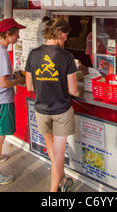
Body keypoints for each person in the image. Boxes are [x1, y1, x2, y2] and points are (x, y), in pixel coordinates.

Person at [25, 17, 78, 192]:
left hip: (41, 109)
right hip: (61, 111)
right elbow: (73, 90)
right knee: (58, 153)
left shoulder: (33, 54)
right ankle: (54, 191)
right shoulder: (66, 57)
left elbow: (30, 86)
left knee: (51, 148)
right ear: (59, 33)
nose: (67, 39)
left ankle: (60, 181)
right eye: (66, 35)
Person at [0, 18, 26, 188]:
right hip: (3, 99)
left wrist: (12, 76)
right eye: (16, 32)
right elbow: (4, 83)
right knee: (0, 137)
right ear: (9, 34)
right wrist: (20, 81)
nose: (18, 35)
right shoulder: (3, 53)